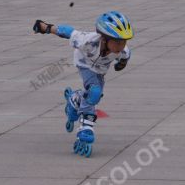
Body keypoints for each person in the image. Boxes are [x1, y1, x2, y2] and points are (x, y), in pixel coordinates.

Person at [32, 11, 133, 158]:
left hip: (99, 71)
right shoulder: (88, 41)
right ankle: (85, 129)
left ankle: (75, 99)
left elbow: (126, 56)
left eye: (124, 41)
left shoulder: (123, 51)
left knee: (92, 96)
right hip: (83, 63)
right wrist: (46, 28)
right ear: (104, 38)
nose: (121, 45)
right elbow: (69, 32)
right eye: (117, 42)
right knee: (94, 92)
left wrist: (121, 64)